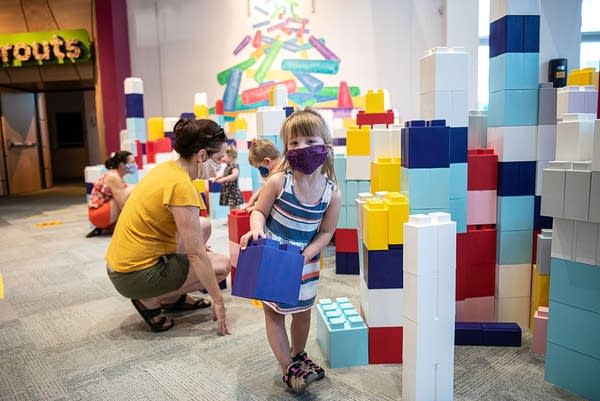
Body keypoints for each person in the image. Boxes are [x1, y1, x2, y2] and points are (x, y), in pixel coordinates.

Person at [240, 109, 341, 393]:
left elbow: (326, 232)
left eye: (309, 140)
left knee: (303, 312)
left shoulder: (331, 193)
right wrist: (257, 228)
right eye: (293, 143)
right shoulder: (278, 181)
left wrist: (309, 252)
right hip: (274, 257)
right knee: (274, 314)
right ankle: (288, 370)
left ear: (326, 148)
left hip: (305, 262)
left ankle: (298, 355)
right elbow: (259, 212)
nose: (301, 148)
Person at [105, 118, 231, 335]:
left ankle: (173, 297)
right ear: (201, 155)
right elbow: (196, 254)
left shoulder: (166, 169)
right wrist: (218, 300)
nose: (221, 163)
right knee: (220, 266)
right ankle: (150, 299)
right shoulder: (182, 188)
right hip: (132, 275)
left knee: (203, 225)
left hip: (120, 265)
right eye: (219, 158)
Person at [86, 151, 136, 237]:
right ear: (122, 165)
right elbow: (122, 204)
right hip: (98, 214)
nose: (135, 164)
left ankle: (110, 226)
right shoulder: (113, 177)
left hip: (102, 212)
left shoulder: (116, 176)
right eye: (132, 162)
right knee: (132, 189)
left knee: (129, 189)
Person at [241, 138, 283, 211]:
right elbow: (265, 186)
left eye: (259, 168)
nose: (260, 171)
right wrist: (253, 199)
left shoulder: (279, 175)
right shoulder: (278, 168)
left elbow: (271, 198)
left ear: (267, 161)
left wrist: (256, 207)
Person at [214, 144, 244, 211]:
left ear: (230, 156)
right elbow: (226, 174)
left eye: (224, 156)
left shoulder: (234, 165)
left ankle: (235, 218)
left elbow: (235, 175)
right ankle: (233, 218)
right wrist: (219, 177)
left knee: (234, 208)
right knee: (232, 208)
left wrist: (223, 180)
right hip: (229, 191)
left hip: (233, 192)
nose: (223, 158)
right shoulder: (228, 166)